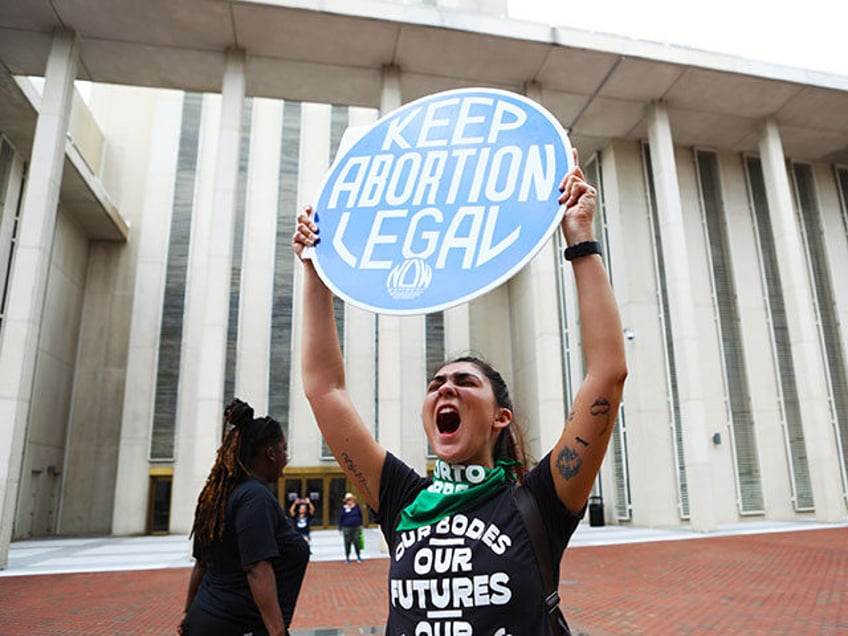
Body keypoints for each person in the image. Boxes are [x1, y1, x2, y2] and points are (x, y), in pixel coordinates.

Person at [291, 149, 627, 634]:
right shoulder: (402, 499)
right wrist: (315, 272)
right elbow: (324, 390)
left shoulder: (540, 501)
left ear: (500, 417)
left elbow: (607, 374)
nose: (445, 387)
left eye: (464, 382)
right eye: (436, 384)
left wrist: (580, 238)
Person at [180, 399, 310, 636]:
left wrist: (188, 613)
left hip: (203, 620)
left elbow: (201, 564)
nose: (286, 456)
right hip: (238, 626)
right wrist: (278, 632)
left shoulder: (214, 497)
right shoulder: (254, 497)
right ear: (270, 454)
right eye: (283, 448)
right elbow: (257, 568)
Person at [338, 492, 364, 563]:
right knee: (347, 542)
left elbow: (360, 515)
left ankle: (358, 555)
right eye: (348, 500)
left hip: (356, 527)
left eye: (351, 500)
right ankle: (347, 557)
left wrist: (361, 524)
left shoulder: (356, 507)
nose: (350, 501)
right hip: (346, 527)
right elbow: (340, 518)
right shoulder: (343, 508)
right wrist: (340, 528)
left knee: (357, 541)